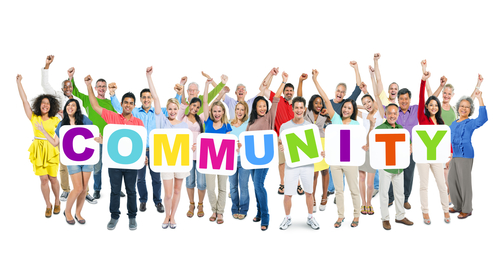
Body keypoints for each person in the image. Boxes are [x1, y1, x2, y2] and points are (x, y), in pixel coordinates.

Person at [84, 74, 146, 231]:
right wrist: (89, 86)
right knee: (115, 190)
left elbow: (139, 142)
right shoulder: (112, 117)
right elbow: (94, 105)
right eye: (126, 102)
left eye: (131, 103)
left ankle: (132, 217)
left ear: (134, 105)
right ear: (122, 103)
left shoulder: (138, 122)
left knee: (132, 191)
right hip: (115, 162)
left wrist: (143, 156)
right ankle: (114, 216)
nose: (128, 105)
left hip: (131, 163)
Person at [110, 83, 173, 213]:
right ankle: (143, 200)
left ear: (152, 99)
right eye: (144, 97)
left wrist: (178, 93)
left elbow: (173, 109)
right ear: (140, 99)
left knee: (156, 178)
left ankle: (158, 201)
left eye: (149, 97)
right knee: (140, 178)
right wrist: (112, 94)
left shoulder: (158, 112)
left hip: (155, 151)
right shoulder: (135, 111)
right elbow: (119, 107)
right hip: (139, 151)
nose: (146, 99)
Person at [36, 99, 101, 225]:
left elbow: (94, 133)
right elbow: (55, 142)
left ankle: (78, 213)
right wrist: (44, 131)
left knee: (83, 189)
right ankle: (67, 211)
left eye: (73, 105)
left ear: (77, 108)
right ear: (65, 107)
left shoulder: (83, 119)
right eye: (68, 105)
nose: (70, 107)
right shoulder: (62, 124)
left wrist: (99, 137)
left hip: (87, 157)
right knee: (77, 188)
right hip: (72, 159)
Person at [313, 69, 361, 228]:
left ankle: (356, 216)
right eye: (345, 108)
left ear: (353, 110)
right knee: (339, 191)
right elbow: (326, 99)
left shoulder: (355, 125)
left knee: (354, 190)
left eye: (349, 108)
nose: (346, 109)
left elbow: (355, 144)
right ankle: (340, 216)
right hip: (335, 160)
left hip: (349, 160)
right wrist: (315, 80)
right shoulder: (336, 119)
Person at [41, 55, 92, 203]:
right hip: (63, 134)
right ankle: (65, 190)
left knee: (83, 162)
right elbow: (45, 84)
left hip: (79, 134)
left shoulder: (78, 101)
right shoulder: (57, 97)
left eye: (70, 86)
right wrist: (47, 65)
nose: (68, 88)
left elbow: (85, 117)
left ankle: (85, 190)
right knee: (64, 164)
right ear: (62, 88)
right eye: (66, 87)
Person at [68, 67, 124, 200]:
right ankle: (97, 189)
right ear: (95, 87)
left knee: (115, 166)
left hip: (110, 138)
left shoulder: (110, 103)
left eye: (104, 86)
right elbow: (74, 91)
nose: (101, 88)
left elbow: (120, 116)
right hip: (95, 138)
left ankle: (117, 188)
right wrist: (71, 78)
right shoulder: (88, 99)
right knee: (97, 166)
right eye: (99, 86)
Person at [147, 66, 190, 229]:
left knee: (178, 191)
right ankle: (166, 215)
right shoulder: (161, 120)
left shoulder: (183, 126)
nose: (172, 111)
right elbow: (156, 98)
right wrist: (149, 77)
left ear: (178, 109)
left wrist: (191, 147)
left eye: (175, 109)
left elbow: (185, 145)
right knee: (169, 193)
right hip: (165, 160)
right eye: (170, 109)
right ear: (167, 110)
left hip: (179, 161)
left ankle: (173, 216)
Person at [373, 53, 417, 209]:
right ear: (398, 100)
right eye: (401, 99)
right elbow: (379, 89)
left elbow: (432, 100)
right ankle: (390, 198)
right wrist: (376, 63)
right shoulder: (392, 111)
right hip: (393, 148)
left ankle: (405, 198)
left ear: (409, 100)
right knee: (394, 174)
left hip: (411, 149)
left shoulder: (416, 110)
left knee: (409, 175)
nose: (404, 101)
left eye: (406, 99)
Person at [177, 79, 226, 219]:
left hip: (201, 154)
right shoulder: (183, 117)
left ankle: (200, 204)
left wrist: (219, 90)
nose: (195, 108)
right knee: (189, 181)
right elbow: (181, 105)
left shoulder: (202, 117)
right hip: (187, 154)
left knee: (202, 182)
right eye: (193, 105)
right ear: (189, 105)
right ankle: (191, 204)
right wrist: (183, 85)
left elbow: (209, 105)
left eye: (197, 107)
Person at [18, 74, 61, 218]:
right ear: (39, 104)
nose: (45, 105)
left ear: (51, 106)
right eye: (43, 102)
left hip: (51, 150)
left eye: (48, 103)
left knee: (53, 179)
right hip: (38, 150)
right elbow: (24, 101)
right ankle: (48, 205)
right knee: (43, 179)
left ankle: (57, 200)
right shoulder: (34, 117)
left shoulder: (56, 119)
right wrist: (19, 83)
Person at [278, 92, 321, 230]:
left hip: (307, 165)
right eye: (296, 107)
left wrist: (322, 152)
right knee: (288, 194)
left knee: (309, 192)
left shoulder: (311, 127)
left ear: (304, 109)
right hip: (291, 165)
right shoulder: (285, 127)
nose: (298, 110)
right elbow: (280, 143)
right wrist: (281, 146)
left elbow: (316, 146)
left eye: (301, 107)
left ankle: (310, 217)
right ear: (293, 109)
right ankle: (287, 218)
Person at [246, 70, 281, 231]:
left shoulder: (269, 117)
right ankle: (259, 211)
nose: (262, 108)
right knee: (255, 185)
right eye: (259, 106)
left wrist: (281, 81)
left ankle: (265, 216)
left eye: (263, 106)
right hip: (252, 157)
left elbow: (275, 99)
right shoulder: (251, 122)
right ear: (255, 107)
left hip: (264, 157)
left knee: (259, 184)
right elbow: (246, 139)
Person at [448, 75, 487, 219]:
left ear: (470, 110)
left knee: (464, 182)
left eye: (467, 107)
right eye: (461, 106)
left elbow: (483, 119)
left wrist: (480, 97)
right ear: (458, 108)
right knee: (452, 180)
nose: (464, 108)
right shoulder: (453, 123)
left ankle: (467, 208)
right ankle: (457, 206)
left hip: (466, 155)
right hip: (455, 155)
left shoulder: (470, 122)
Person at [261, 68, 303, 196]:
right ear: (284, 91)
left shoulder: (297, 106)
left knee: (296, 161)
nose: (289, 92)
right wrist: (273, 75)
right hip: (280, 137)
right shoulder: (277, 100)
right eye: (287, 90)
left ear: (293, 92)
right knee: (282, 162)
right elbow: (262, 88)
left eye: (291, 91)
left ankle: (298, 183)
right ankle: (283, 183)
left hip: (295, 137)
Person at [416, 71, 451, 224]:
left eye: (436, 105)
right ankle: (425, 212)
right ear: (427, 106)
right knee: (424, 185)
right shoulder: (422, 118)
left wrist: (449, 151)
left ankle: (445, 211)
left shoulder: (441, 122)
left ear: (438, 107)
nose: (434, 107)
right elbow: (420, 97)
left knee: (442, 185)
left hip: (436, 156)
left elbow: (445, 138)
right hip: (423, 156)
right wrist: (423, 81)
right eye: (431, 105)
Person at [326, 61, 365, 197]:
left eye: (343, 92)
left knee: (342, 163)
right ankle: (331, 188)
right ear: (335, 91)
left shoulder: (346, 105)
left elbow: (358, 88)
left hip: (344, 139)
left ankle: (338, 191)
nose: (340, 93)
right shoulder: (329, 105)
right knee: (330, 167)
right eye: (338, 90)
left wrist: (356, 68)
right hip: (330, 139)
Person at [375, 104, 414, 230]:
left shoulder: (401, 129)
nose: (392, 116)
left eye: (395, 113)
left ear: (397, 115)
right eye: (390, 113)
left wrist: (410, 148)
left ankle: (400, 216)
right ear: (385, 115)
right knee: (384, 194)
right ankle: (385, 218)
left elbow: (408, 143)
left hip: (399, 167)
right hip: (385, 167)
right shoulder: (380, 129)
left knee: (400, 193)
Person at [203, 77, 232, 224]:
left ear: (223, 112)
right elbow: (206, 102)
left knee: (222, 187)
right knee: (210, 187)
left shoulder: (227, 125)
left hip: (223, 159)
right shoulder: (207, 121)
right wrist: (207, 85)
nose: (216, 113)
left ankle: (219, 213)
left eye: (219, 111)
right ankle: (213, 209)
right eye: (214, 111)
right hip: (208, 158)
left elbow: (229, 143)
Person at [299, 73, 330, 212]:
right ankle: (314, 198)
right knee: (314, 173)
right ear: (312, 103)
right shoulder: (306, 112)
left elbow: (335, 121)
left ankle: (324, 196)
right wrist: (302, 82)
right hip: (310, 143)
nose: (319, 105)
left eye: (320, 103)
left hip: (323, 142)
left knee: (325, 170)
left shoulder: (325, 113)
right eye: (316, 102)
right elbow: (299, 98)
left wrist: (327, 113)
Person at [357, 65, 384, 216]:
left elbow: (377, 96)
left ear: (373, 102)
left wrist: (371, 76)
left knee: (370, 182)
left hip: (375, 149)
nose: (367, 105)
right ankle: (363, 203)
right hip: (364, 148)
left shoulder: (380, 113)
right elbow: (353, 106)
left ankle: (369, 203)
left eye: (369, 102)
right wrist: (365, 106)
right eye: (365, 103)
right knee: (361, 177)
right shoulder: (365, 115)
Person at [228, 101, 251, 220]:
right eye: (238, 109)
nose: (240, 112)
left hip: (244, 159)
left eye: (242, 109)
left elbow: (252, 140)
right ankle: (234, 208)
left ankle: (244, 208)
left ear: (245, 111)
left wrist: (244, 143)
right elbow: (225, 140)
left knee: (243, 186)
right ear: (235, 110)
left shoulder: (248, 124)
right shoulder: (228, 124)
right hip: (230, 159)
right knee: (232, 186)